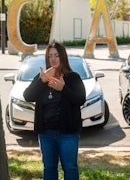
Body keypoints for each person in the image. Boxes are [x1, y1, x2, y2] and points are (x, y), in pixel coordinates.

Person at [23, 42, 86, 180]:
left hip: (68, 133)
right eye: (50, 55)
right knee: (49, 168)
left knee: (70, 168)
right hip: (46, 133)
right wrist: (41, 80)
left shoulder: (73, 77)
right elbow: (27, 96)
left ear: (62, 57)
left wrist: (63, 89)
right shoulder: (43, 77)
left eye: (56, 55)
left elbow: (81, 99)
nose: (53, 59)